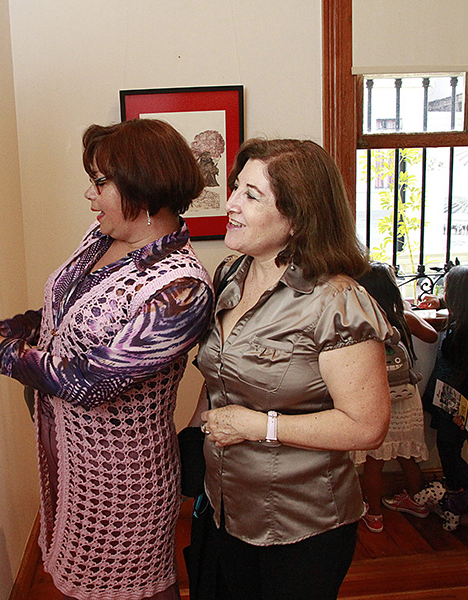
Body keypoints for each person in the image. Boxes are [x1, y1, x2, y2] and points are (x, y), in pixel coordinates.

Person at [0, 119, 214, 600]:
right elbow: (63, 315)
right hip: (70, 458)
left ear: (141, 186)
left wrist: (5, 354)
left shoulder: (182, 289)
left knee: (131, 590)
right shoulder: (102, 237)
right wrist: (8, 329)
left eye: (100, 182)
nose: (90, 195)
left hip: (122, 480)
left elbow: (92, 382)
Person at [190, 138, 393, 600]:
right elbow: (220, 375)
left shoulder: (337, 301)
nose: (230, 203)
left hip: (302, 524)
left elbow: (367, 426)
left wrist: (258, 426)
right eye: (236, 188)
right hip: (227, 507)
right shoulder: (230, 275)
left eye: (251, 195)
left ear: (297, 218)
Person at [352, 262, 438, 534]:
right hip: (407, 397)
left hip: (377, 399)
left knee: (374, 461)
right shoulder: (403, 319)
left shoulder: (362, 322)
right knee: (407, 454)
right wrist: (407, 309)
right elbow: (432, 335)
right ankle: (417, 501)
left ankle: (374, 514)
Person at [419, 264, 468, 493]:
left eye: (447, 292)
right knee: (449, 448)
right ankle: (461, 492)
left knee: (449, 450)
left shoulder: (464, 334)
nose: (445, 295)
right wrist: (440, 303)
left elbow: (467, 377)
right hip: (458, 402)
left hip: (458, 405)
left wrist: (459, 414)